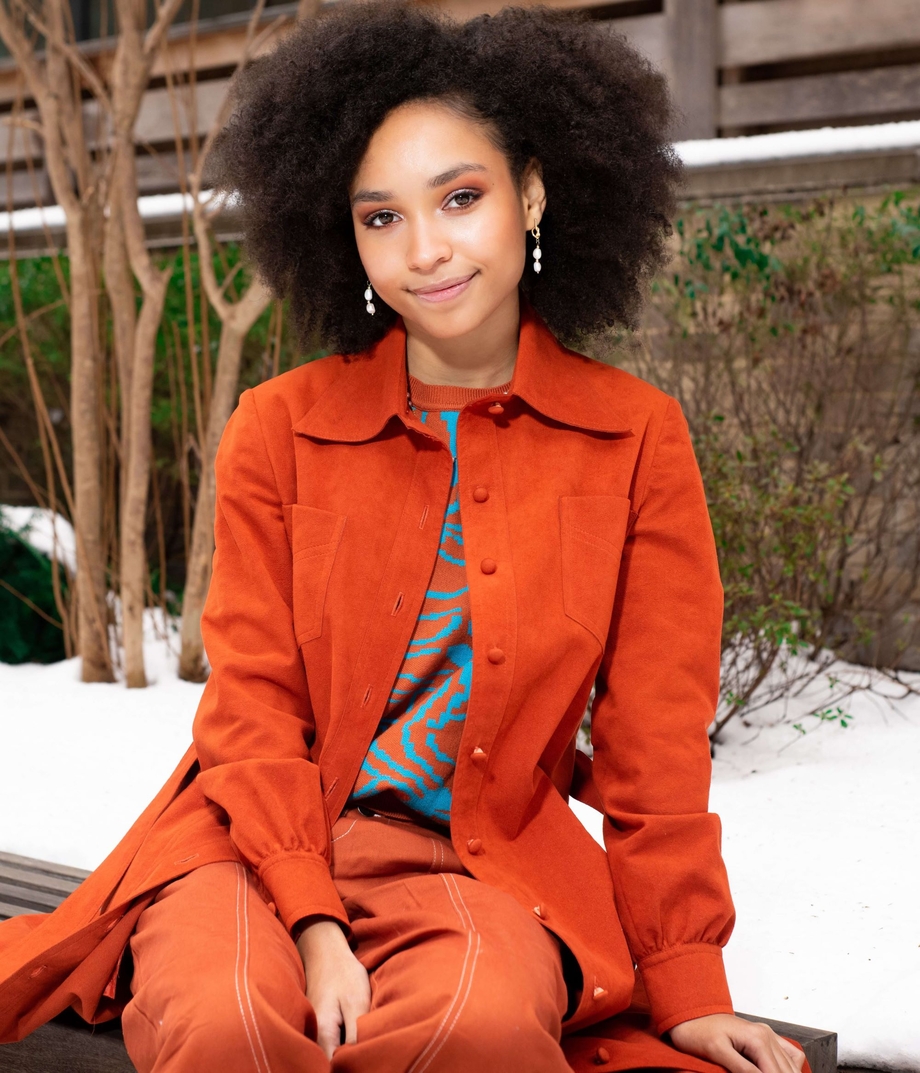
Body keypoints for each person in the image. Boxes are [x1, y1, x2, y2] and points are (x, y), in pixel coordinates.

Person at [0, 3, 811, 1072]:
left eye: (460, 198)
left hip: (477, 866)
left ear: (530, 191)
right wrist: (313, 919)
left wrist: (687, 979)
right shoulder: (279, 429)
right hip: (250, 843)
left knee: (468, 1028)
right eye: (379, 217)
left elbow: (653, 752)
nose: (423, 249)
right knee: (228, 1020)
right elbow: (251, 702)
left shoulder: (633, 438)